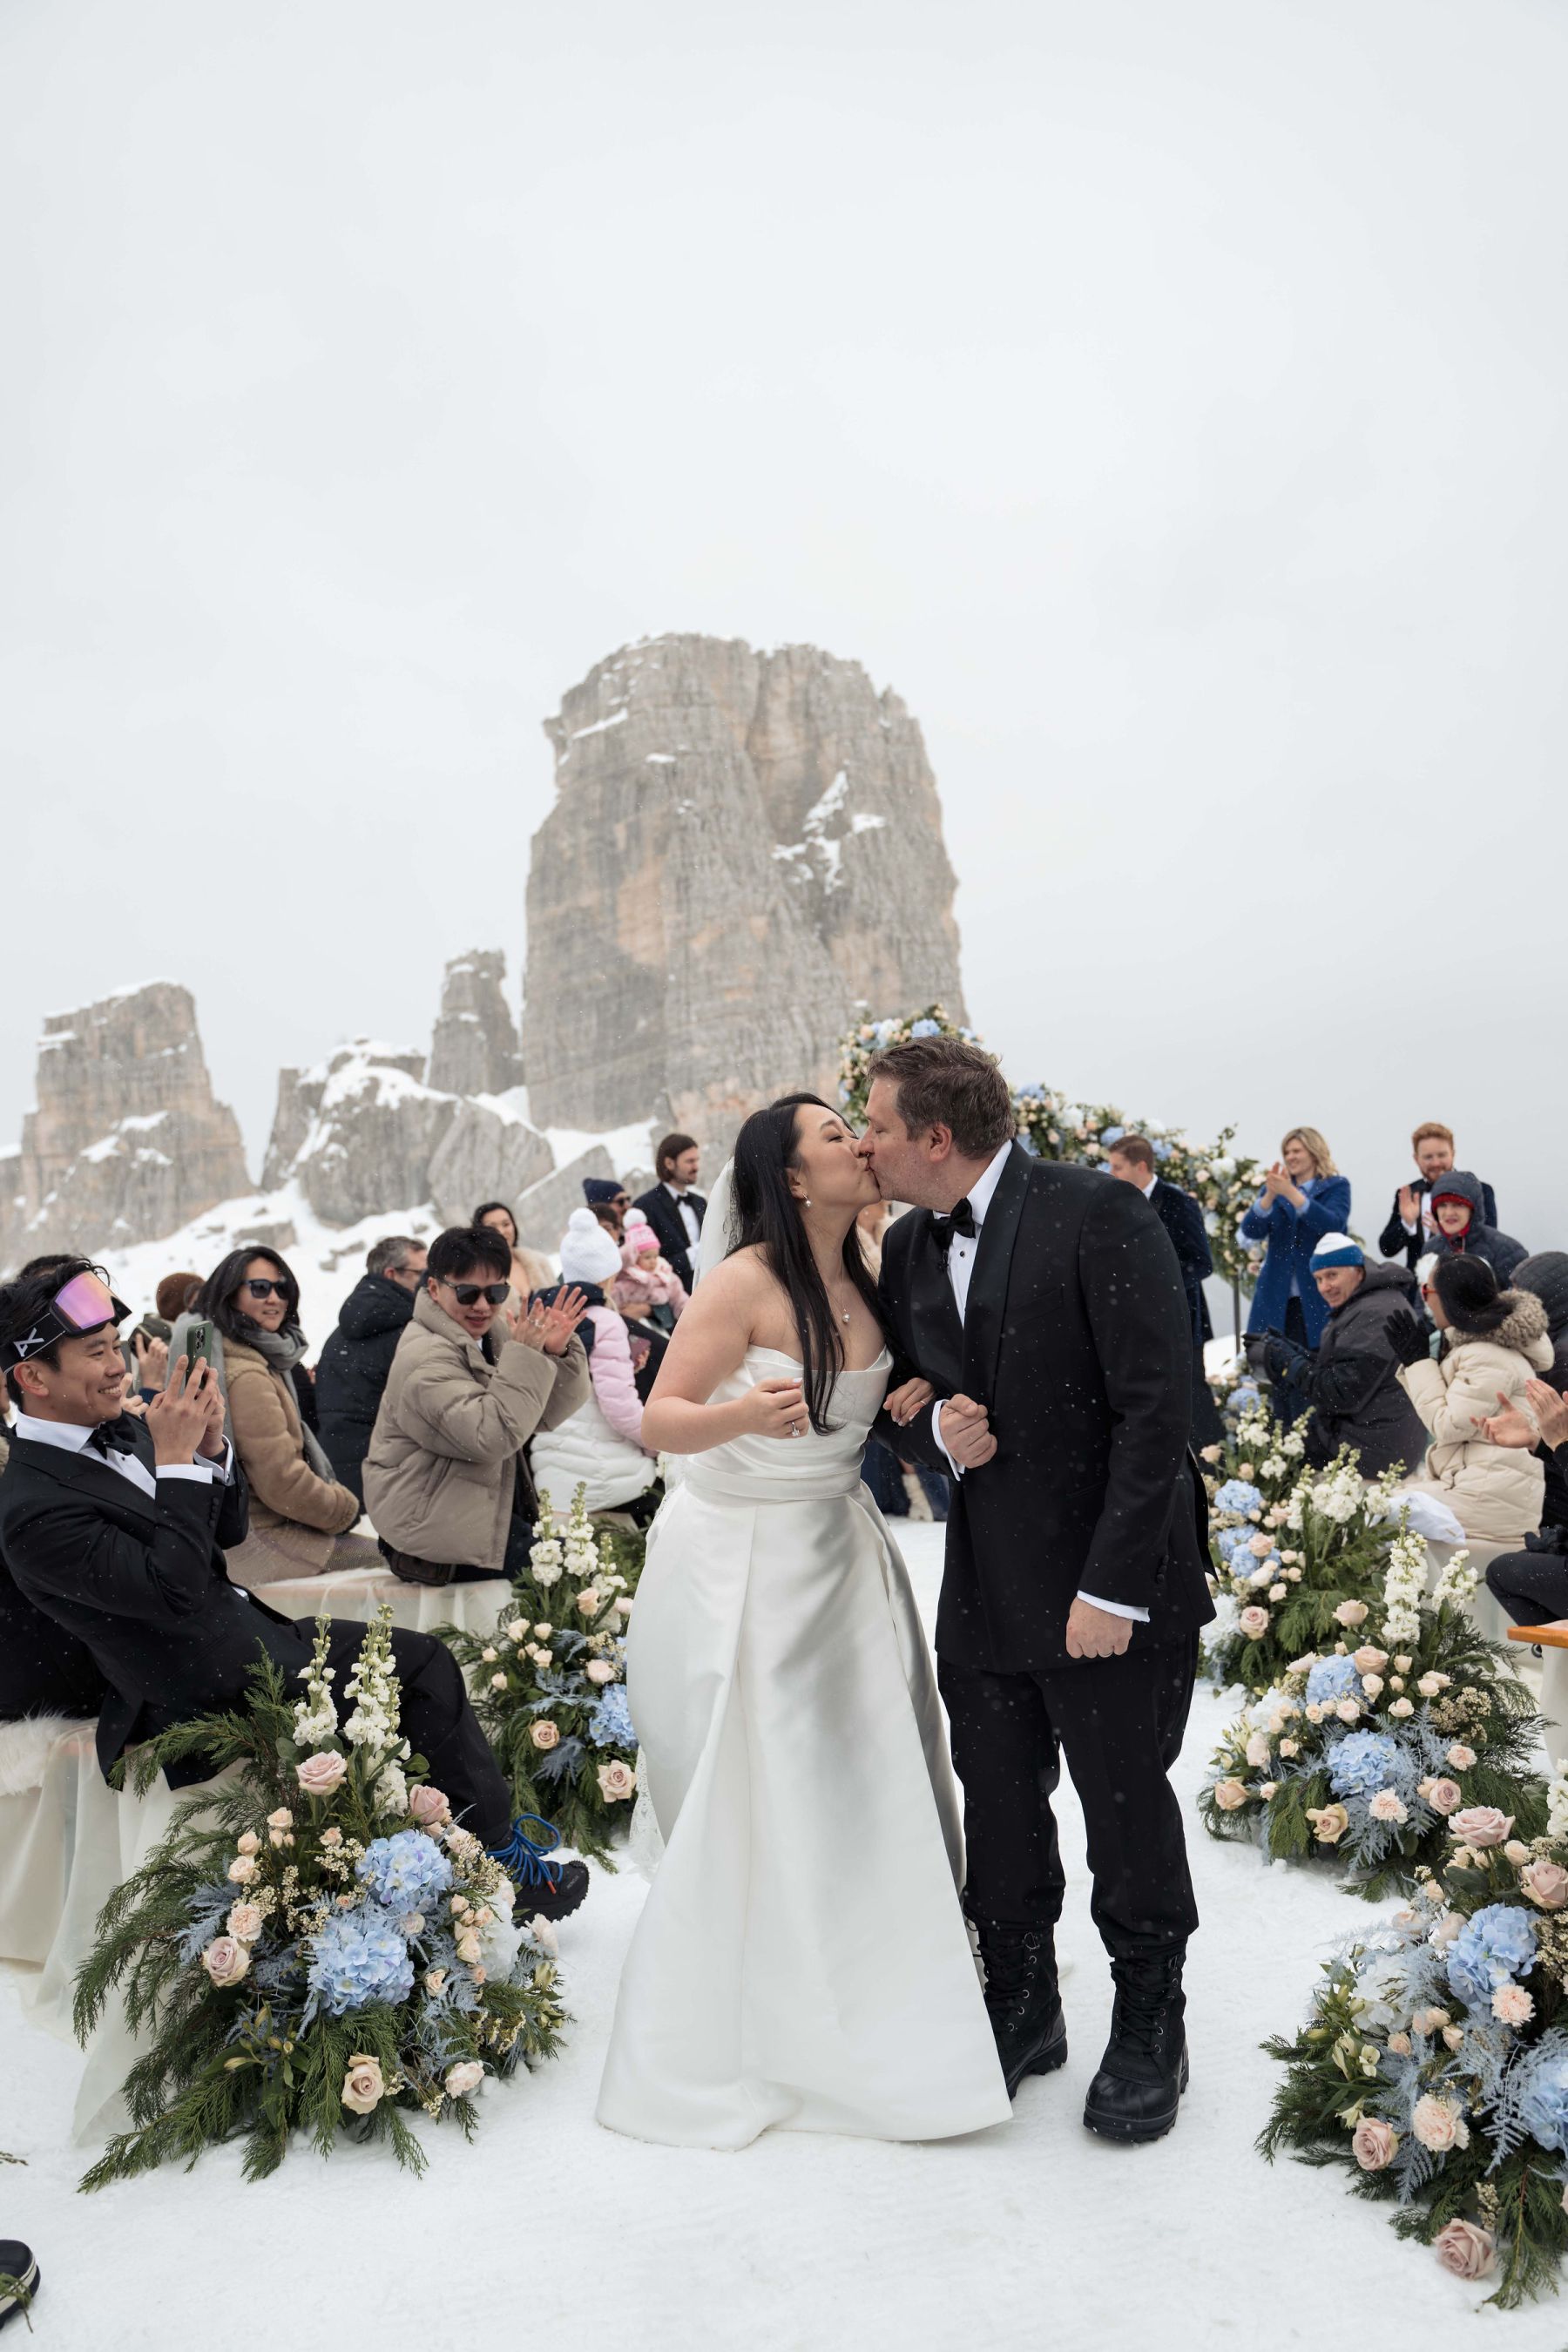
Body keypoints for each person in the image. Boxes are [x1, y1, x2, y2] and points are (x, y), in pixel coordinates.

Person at [598, 1092, 1010, 2150]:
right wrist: (740, 1413)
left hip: (842, 1553)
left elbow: (887, 1398)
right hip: (743, 1563)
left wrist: (920, 1398)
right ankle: (771, 1999)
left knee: (866, 1774)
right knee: (762, 1781)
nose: (859, 1145)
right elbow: (658, 1418)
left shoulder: (881, 1269)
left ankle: (884, 1972)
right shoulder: (744, 1282)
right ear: (788, 1180)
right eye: (835, 1136)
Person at [856, 1037, 1213, 2144]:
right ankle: (1024, 2003)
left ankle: (1152, 2016)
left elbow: (1162, 1414)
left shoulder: (1102, 1211)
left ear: (934, 1136)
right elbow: (906, 1399)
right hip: (986, 1577)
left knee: (1122, 1805)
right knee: (999, 1804)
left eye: (873, 1124)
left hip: (1115, 1581)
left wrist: (1112, 1589)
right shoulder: (911, 1241)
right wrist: (932, 1427)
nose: (863, 1142)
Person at [0, 1257, 588, 1919]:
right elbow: (175, 1591)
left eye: (115, 1347)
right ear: (31, 1378)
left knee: (425, 1664)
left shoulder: (129, 1428)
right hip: (192, 1693)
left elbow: (222, 1532)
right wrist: (174, 1463)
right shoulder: (31, 1507)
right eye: (96, 1352)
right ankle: (496, 1869)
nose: (118, 1365)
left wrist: (210, 1449)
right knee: (422, 1670)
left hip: (242, 1641)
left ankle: (469, 1856)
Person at [362, 1225, 589, 1585]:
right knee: (575, 1572)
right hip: (429, 1526)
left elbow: (541, 1415)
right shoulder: (425, 1357)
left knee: (582, 1562)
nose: (483, 1306)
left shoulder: (492, 1334)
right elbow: (493, 1436)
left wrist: (553, 1352)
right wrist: (528, 1356)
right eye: (467, 1293)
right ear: (434, 1289)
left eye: (496, 1292)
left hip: (469, 1509)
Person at [187, 1247, 376, 1586]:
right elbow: (282, 1483)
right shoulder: (248, 1376)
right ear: (230, 1296)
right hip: (263, 1540)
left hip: (252, 1535)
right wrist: (345, 1509)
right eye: (260, 1288)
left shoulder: (254, 1360)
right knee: (380, 1562)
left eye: (283, 1288)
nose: (275, 1298)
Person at [1385, 1254, 1555, 1547]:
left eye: (1428, 1291)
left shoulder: (1488, 1355)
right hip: (1481, 1489)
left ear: (1449, 1298)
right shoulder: (1479, 1347)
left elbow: (1447, 1425)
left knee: (1370, 1513)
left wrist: (1417, 1363)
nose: (1424, 1300)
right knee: (1373, 1507)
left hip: (1490, 1501)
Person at [1260, 1234, 1427, 1477]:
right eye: (1318, 1279)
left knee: (1270, 1451)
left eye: (1332, 1275)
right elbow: (1345, 1371)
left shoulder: (1374, 1314)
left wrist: (1291, 1364)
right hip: (1379, 1434)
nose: (1325, 1287)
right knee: (1279, 1438)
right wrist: (1293, 1351)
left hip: (1375, 1447)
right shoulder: (1372, 1302)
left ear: (1358, 1271)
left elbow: (1341, 1395)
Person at [529, 1212, 659, 1515]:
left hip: (554, 1474)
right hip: (606, 1473)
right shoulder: (605, 1322)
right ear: (610, 1274)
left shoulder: (545, 1317)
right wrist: (656, 1443)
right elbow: (620, 1408)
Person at [1108, 1134, 1223, 1446]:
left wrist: (1155, 1284)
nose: (1111, 1173)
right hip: (1135, 1324)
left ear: (1141, 1166)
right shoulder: (1116, 1204)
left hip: (1180, 1319)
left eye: (1117, 1167)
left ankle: (1214, 1467)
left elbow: (1201, 1262)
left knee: (1192, 1397)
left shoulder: (1178, 1202)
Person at [1476, 1255, 1568, 1625]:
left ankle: (1556, 1671)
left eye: (1518, 1293)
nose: (1510, 1302)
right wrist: (1537, 1441)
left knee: (1501, 1573)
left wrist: (1557, 1442)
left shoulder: (1561, 1359)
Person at [314, 1236, 429, 1509]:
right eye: (423, 1274)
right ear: (392, 1274)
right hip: (391, 1478)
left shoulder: (339, 1333)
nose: (430, 1283)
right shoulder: (411, 1333)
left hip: (335, 1477)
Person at [1378, 1124, 1499, 1274]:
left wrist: (1447, 1235)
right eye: (1428, 1157)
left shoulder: (1481, 1191)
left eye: (1442, 1155)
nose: (1436, 1163)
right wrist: (1407, 1224)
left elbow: (1490, 1241)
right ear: (1416, 1159)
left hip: (1465, 1282)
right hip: (1418, 1291)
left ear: (1453, 1154)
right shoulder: (1407, 1195)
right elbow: (1386, 1249)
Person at [1423, 1170, 1528, 1283]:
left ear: (1473, 1210)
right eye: (1442, 1205)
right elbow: (1422, 1299)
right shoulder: (1431, 1248)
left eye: (1458, 1205)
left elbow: (1517, 1299)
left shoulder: (1506, 1250)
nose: (1449, 1213)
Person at [633, 1135, 706, 1294]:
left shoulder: (700, 1202)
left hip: (710, 1291)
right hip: (672, 1299)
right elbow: (644, 1264)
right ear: (669, 1163)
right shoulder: (645, 1206)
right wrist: (692, 1256)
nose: (696, 1167)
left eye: (697, 1160)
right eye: (689, 1161)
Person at [612, 1208, 690, 1334]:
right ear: (634, 1258)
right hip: (632, 1328)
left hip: (660, 1327)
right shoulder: (628, 1279)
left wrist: (688, 1315)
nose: (653, 1261)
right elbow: (614, 1298)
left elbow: (679, 1297)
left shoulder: (665, 1275)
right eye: (647, 1257)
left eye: (655, 1256)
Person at [472, 1201, 555, 1301]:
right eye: (492, 1227)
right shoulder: (477, 1275)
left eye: (506, 1224)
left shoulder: (540, 1262)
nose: (502, 1232)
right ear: (479, 1233)